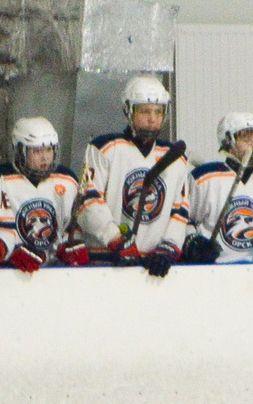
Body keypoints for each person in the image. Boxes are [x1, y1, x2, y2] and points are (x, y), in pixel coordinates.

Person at [79, 74, 193, 274]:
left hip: (153, 265)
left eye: (158, 112)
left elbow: (180, 211)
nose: (152, 119)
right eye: (145, 111)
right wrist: (115, 239)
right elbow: (88, 201)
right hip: (106, 263)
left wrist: (168, 248)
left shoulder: (174, 157)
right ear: (128, 111)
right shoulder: (103, 148)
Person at [0, 119, 90, 271]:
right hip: (11, 272)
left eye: (49, 150)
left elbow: (72, 225)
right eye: (37, 151)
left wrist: (70, 244)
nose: (45, 158)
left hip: (54, 272)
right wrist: (10, 251)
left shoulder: (67, 179)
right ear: (20, 151)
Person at [185, 112, 253, 269]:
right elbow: (185, 221)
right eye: (246, 139)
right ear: (228, 141)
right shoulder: (204, 178)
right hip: (213, 271)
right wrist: (194, 242)